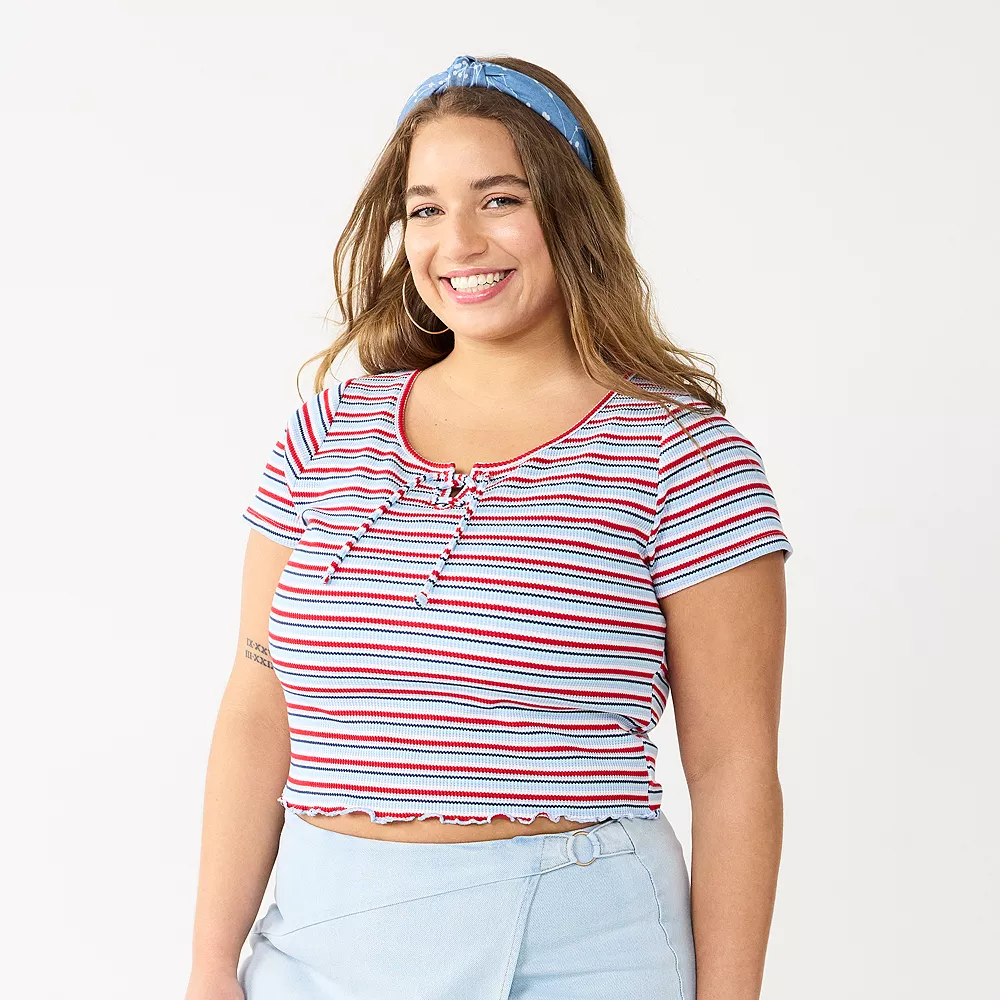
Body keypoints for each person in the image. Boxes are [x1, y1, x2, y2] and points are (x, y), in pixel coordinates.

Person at [185, 54, 793, 1000]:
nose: (458, 241)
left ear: (573, 212)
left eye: (500, 199)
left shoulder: (681, 455)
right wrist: (207, 966)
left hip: (579, 953)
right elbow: (259, 705)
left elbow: (735, 769)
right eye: (425, 209)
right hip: (316, 945)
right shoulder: (328, 431)